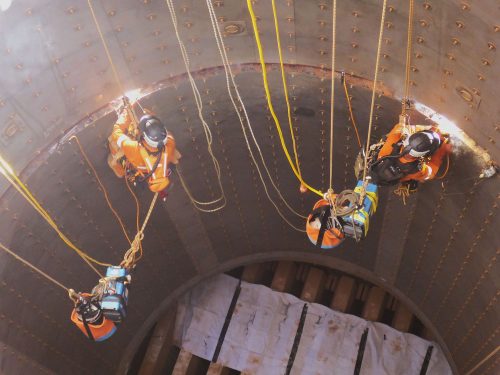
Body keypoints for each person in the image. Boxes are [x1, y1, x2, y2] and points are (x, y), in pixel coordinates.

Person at [108, 106, 180, 193]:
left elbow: (116, 131)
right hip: (154, 167)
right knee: (173, 153)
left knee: (113, 147)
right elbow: (167, 133)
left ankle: (120, 172)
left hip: (137, 168)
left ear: (144, 136)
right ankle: (174, 158)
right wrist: (152, 117)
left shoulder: (132, 148)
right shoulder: (170, 144)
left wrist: (127, 111)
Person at [369, 122, 451, 188]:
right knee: (412, 180)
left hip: (379, 168)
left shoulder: (392, 143)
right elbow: (430, 173)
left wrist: (425, 128)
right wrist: (443, 149)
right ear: (425, 154)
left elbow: (400, 126)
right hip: (394, 177)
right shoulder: (417, 170)